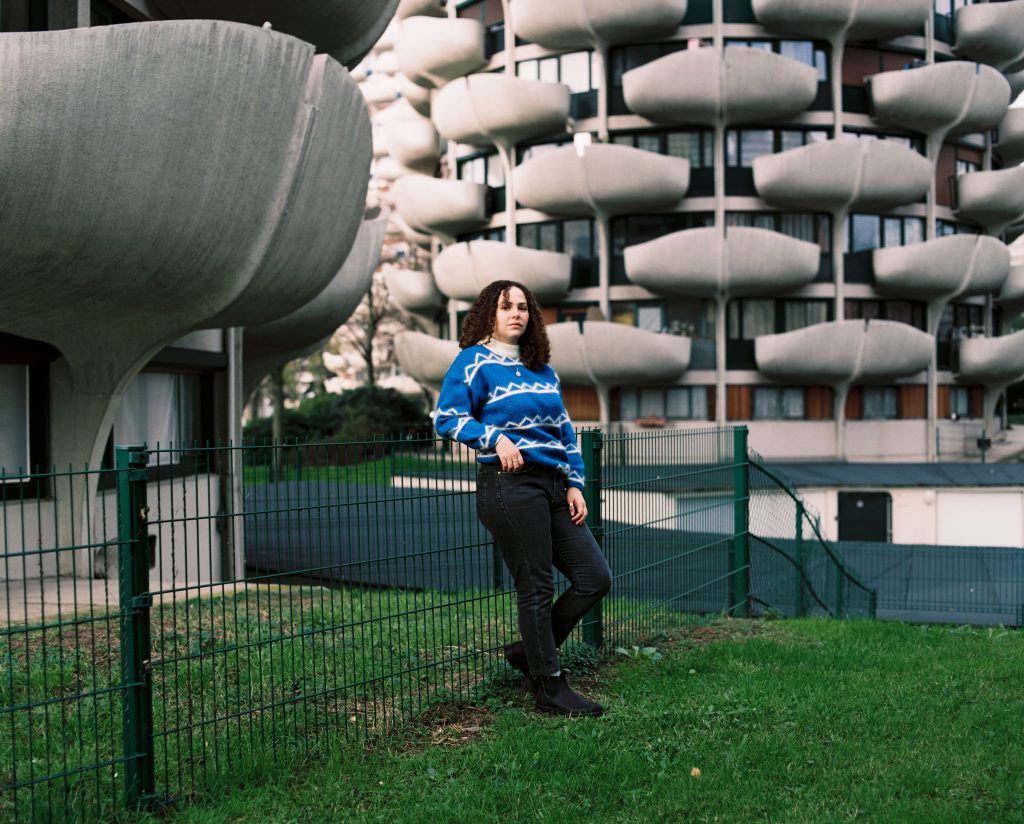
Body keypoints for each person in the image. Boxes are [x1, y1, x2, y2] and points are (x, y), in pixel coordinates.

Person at [434, 280, 612, 718]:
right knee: (536, 587)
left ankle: (528, 653)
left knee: (594, 577)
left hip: (553, 487)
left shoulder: (543, 370)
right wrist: (494, 438)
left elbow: (565, 432)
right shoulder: (473, 362)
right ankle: (549, 685)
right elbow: (447, 417)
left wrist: (574, 483)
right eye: (505, 306)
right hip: (508, 485)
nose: (516, 313)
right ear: (489, 315)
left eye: (522, 307)